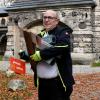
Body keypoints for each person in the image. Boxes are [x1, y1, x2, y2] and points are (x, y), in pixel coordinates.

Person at [30, 10, 75, 100]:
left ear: (57, 20)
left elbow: (64, 45)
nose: (46, 20)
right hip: (42, 83)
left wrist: (41, 54)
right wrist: (27, 55)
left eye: (49, 17)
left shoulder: (62, 32)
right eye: (44, 17)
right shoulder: (40, 34)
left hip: (57, 83)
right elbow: (36, 52)